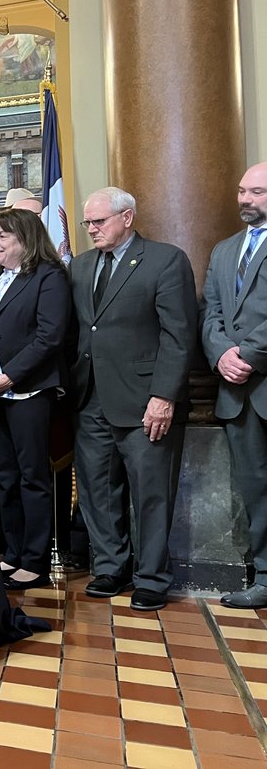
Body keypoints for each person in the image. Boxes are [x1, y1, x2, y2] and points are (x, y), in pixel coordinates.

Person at [69, 186, 196, 611]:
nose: (91, 230)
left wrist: (164, 396)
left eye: (98, 221)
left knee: (150, 492)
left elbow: (178, 336)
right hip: (90, 398)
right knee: (96, 488)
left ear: (127, 217)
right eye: (87, 222)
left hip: (145, 400)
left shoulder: (165, 260)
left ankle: (152, 577)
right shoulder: (82, 267)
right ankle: (110, 567)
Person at [0, 209, 71, 590]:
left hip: (28, 391)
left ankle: (35, 560)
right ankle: (12, 552)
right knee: (4, 475)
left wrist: (10, 376)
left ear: (25, 240)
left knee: (32, 477)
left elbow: (50, 336)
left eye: (1, 238)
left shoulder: (49, 276)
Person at [202, 163, 267, 608]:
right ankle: (265, 577)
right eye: (242, 190)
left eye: (257, 192)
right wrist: (222, 352)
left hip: (260, 375)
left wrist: (248, 355)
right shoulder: (224, 250)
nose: (246, 199)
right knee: (256, 489)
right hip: (239, 395)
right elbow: (210, 314)